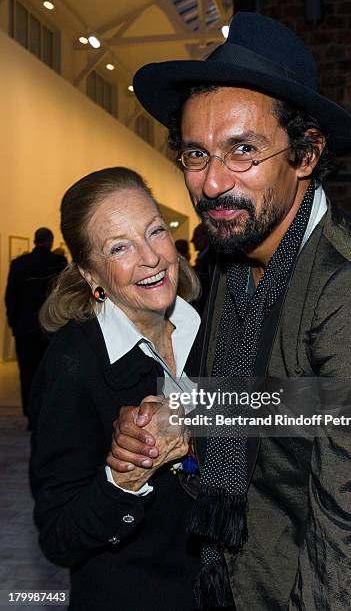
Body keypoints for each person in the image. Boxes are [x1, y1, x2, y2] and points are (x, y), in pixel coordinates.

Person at [110, 12, 351, 610]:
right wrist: (178, 417)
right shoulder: (236, 256)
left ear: (304, 155)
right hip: (231, 581)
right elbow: (287, 402)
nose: (213, 183)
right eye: (196, 154)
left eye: (242, 150)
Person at [29, 167, 202, 610]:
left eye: (155, 232)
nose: (151, 257)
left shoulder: (209, 324)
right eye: (120, 247)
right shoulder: (73, 364)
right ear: (91, 275)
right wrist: (125, 478)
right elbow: (59, 539)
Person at [5, 227, 66, 426]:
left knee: (27, 372)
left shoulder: (18, 264)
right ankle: (46, 414)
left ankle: (31, 415)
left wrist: (15, 324)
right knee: (49, 372)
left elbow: (10, 298)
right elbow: (62, 298)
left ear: (34, 241)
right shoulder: (57, 263)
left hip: (25, 327)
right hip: (50, 327)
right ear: (50, 241)